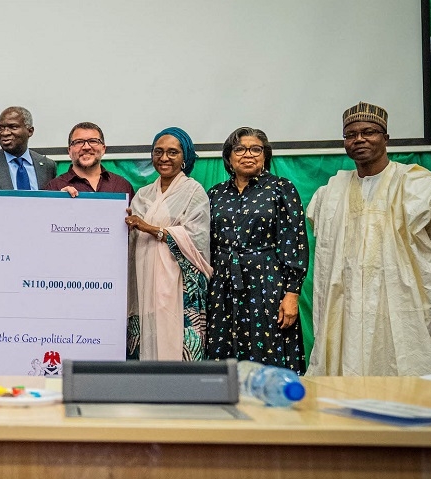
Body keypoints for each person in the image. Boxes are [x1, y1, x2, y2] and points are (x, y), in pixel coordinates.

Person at [307, 102, 431, 376]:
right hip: (345, 303)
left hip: (402, 301)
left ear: (385, 138)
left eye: (369, 132)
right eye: (351, 134)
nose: (359, 139)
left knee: (400, 371)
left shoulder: (416, 184)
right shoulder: (330, 192)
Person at [206, 127, 308, 373]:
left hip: (266, 284)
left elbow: (295, 241)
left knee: (267, 348)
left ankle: (270, 406)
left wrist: (292, 294)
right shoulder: (215, 194)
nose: (247, 155)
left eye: (256, 149)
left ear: (265, 156)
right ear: (229, 157)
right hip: (222, 285)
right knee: (223, 353)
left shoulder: (280, 189)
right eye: (239, 149)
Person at [125, 127, 212, 361]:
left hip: (178, 285)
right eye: (158, 151)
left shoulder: (194, 192)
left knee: (177, 344)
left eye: (173, 152)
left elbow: (196, 240)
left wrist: (151, 229)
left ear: (185, 157)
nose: (164, 158)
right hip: (144, 281)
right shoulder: (142, 194)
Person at [0, 106, 56, 190]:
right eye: (0, 128)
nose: (4, 133)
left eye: (13, 127)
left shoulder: (47, 166)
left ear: (30, 131)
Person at [46, 122, 134, 199]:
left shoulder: (122, 186)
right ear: (69, 151)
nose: (86, 147)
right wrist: (57, 202)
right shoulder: (54, 188)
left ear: (103, 149)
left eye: (93, 141)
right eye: (79, 142)